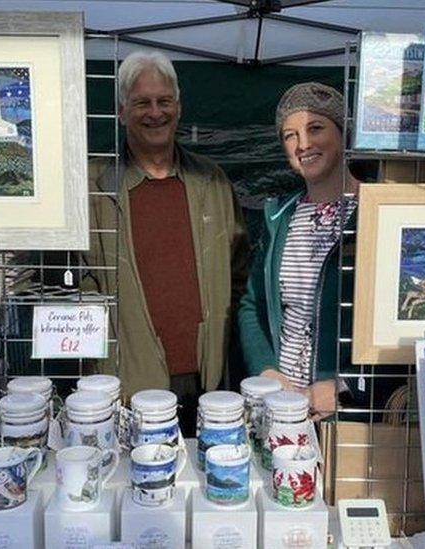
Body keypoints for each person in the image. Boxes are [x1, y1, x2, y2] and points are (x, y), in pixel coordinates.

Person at [83, 50, 247, 436]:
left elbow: (241, 272)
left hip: (207, 382)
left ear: (179, 107)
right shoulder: (94, 187)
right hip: (128, 383)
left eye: (164, 101)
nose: (155, 112)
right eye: (142, 102)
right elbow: (71, 280)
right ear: (122, 111)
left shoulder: (213, 181)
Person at [239, 82, 365, 420]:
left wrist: (342, 383)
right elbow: (251, 306)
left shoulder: (377, 212)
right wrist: (266, 371)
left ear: (344, 133)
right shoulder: (279, 217)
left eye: (315, 128)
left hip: (349, 413)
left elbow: (395, 324)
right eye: (290, 135)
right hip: (281, 407)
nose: (303, 144)